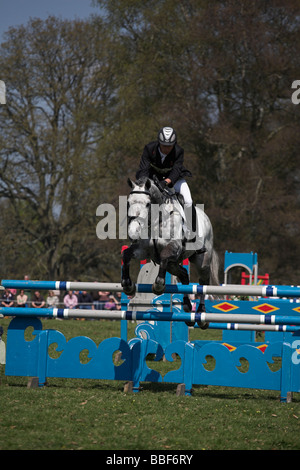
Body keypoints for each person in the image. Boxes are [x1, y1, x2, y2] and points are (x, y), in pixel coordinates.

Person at [136, 126, 197, 236]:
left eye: (169, 146)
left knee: (188, 200)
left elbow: (176, 170)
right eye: (164, 145)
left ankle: (192, 234)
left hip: (174, 179)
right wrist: (145, 184)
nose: (166, 149)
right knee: (139, 197)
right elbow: (143, 169)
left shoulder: (178, 151)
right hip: (153, 179)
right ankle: (138, 229)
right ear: (159, 143)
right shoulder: (149, 149)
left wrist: (166, 182)